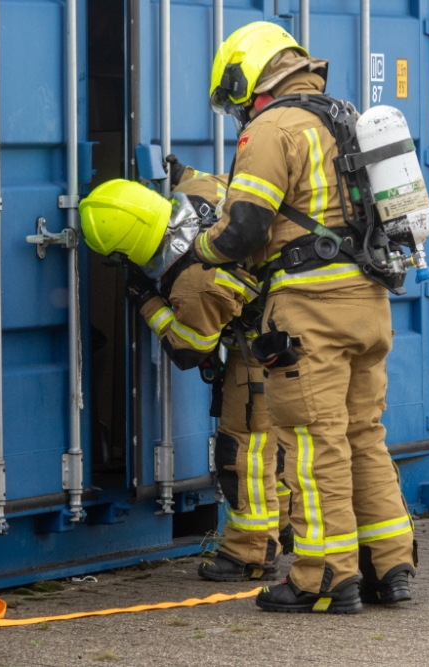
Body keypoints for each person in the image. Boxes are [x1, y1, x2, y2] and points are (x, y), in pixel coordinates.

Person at [198, 21, 416, 614]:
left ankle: (323, 578)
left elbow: (244, 229)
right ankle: (389, 565)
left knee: (313, 444)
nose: (238, 112)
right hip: (369, 303)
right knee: (363, 434)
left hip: (310, 311)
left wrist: (202, 249)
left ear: (247, 79)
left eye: (235, 100)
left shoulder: (272, 128)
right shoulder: (345, 118)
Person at [79, 174, 287, 582]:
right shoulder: (198, 193)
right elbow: (205, 177)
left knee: (241, 453)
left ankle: (251, 553)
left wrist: (147, 301)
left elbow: (191, 349)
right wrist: (175, 170)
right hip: (292, 330)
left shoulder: (192, 281)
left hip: (261, 352)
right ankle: (285, 528)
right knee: (276, 446)